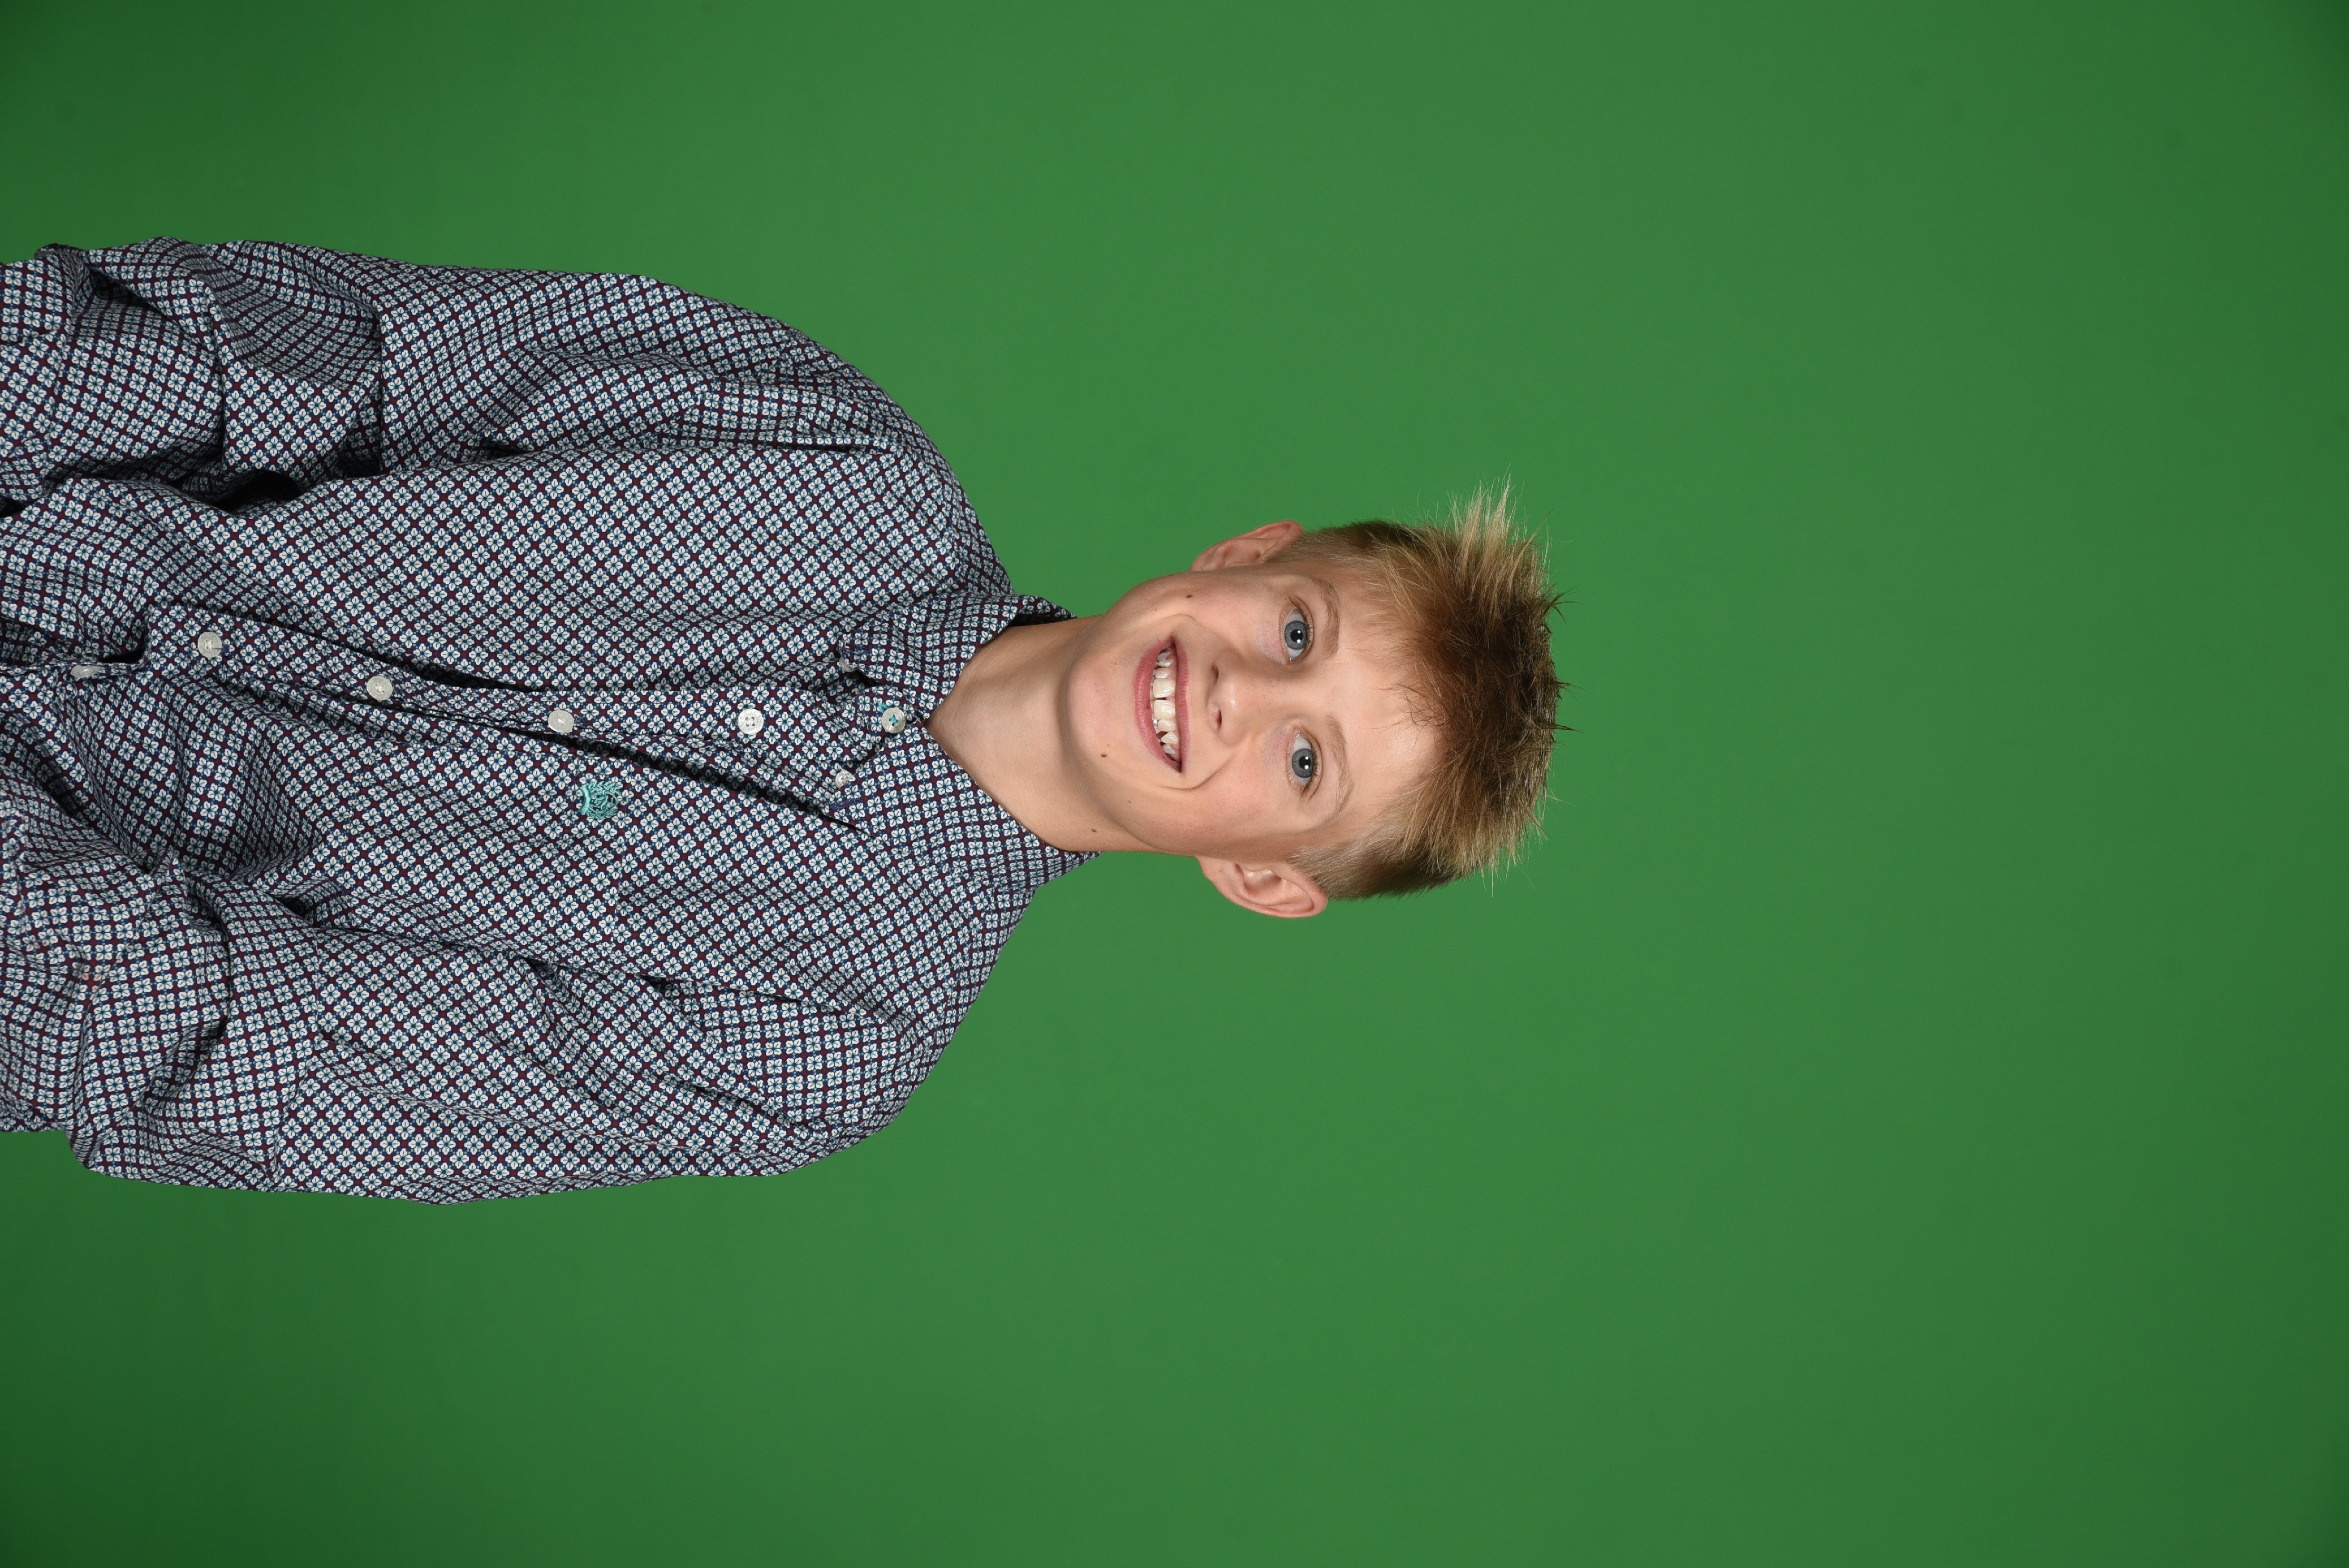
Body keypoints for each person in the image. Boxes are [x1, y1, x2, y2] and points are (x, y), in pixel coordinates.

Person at [0, 239, 1560, 1202]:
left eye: (1305, 759)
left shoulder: (825, 1042)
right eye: (1297, 633)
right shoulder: (829, 443)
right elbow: (323, 363)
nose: (1241, 693)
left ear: (1264, 875)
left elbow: (263, 1054)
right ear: (1244, 554)